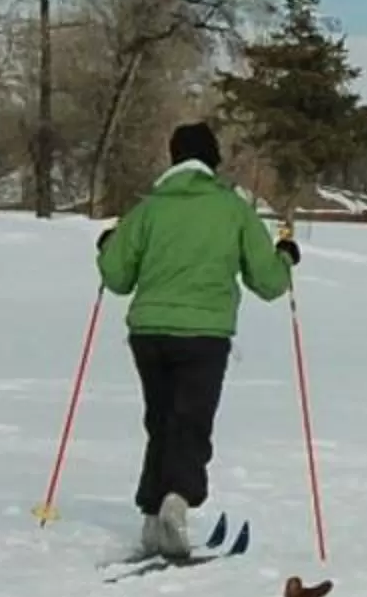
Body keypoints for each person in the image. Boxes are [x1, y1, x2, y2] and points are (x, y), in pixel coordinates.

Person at [94, 121, 297, 560]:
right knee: (191, 421)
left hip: (148, 332)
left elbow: (116, 276)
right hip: (204, 333)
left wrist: (108, 244)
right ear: (212, 161)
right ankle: (177, 502)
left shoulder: (148, 210)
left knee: (161, 420)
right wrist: (285, 257)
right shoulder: (232, 209)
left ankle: (152, 516)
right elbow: (267, 282)